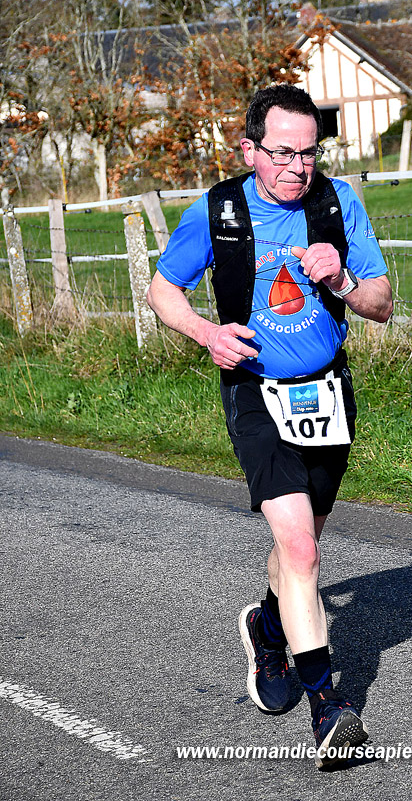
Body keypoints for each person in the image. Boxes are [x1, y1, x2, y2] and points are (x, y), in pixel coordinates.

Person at [147, 84, 393, 768]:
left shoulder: (337, 204)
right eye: (282, 153)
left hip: (328, 393)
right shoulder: (218, 211)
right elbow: (163, 288)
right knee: (303, 550)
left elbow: (381, 303)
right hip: (255, 392)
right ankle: (328, 709)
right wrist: (206, 333)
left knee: (301, 547)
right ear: (249, 148)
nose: (297, 167)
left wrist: (342, 281)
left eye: (309, 153)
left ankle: (266, 623)